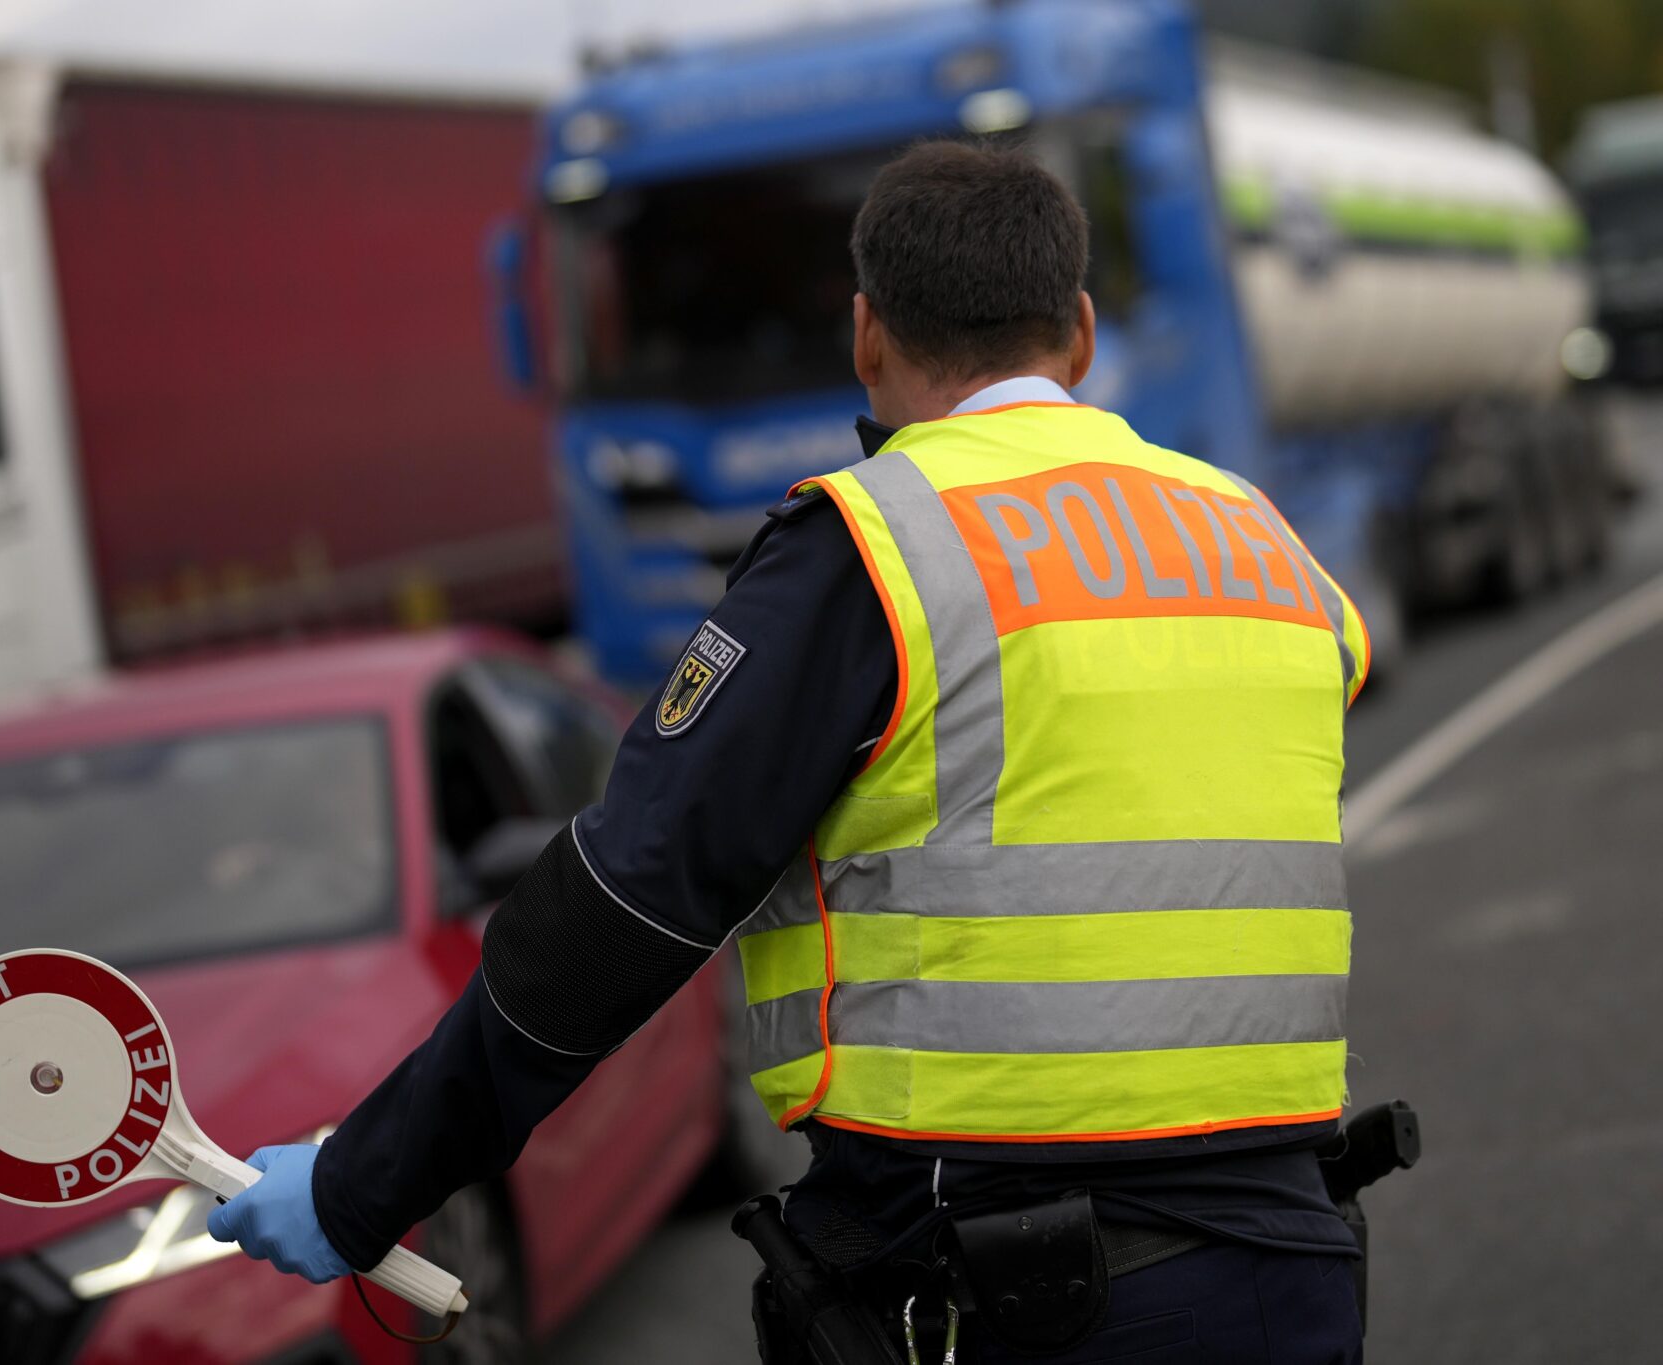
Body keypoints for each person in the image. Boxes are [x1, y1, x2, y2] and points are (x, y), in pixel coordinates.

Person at [207, 142, 1372, 1362]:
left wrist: (361, 1184)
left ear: (865, 335)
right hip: (1289, 1268)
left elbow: (622, 904)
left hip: (1006, 1293)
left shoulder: (873, 552)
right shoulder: (1262, 541)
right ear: (1077, 333)